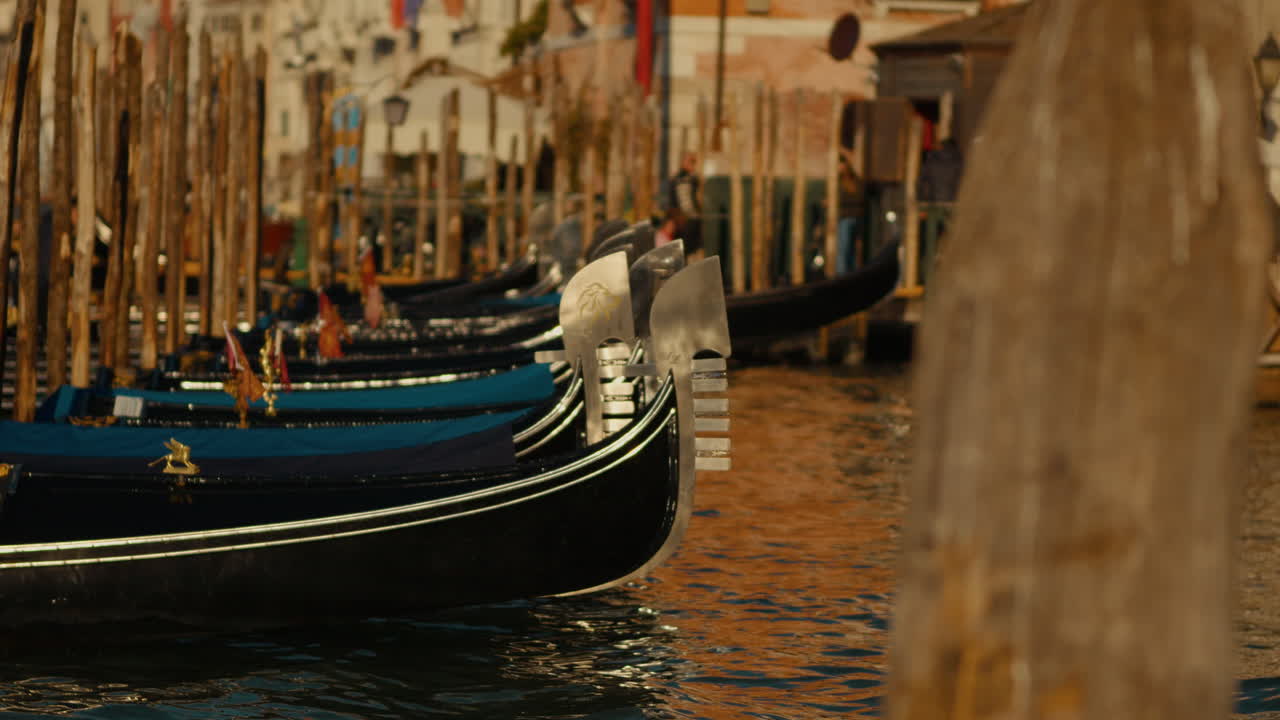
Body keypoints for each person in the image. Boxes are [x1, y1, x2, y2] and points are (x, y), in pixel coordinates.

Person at [667, 152, 702, 259]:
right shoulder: (678, 180)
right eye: (689, 162)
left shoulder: (693, 179)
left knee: (691, 249)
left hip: (692, 220)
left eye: (692, 162)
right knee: (683, 251)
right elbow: (674, 202)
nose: (691, 165)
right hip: (682, 221)